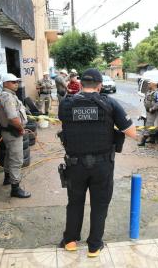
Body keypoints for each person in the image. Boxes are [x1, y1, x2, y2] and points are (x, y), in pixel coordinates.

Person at [58, 68, 137, 257]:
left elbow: (64, 123)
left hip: (74, 164)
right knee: (100, 204)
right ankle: (94, 246)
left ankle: (70, 241)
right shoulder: (109, 103)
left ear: (80, 84)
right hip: (102, 165)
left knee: (74, 202)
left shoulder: (66, 104)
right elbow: (132, 133)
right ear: (100, 85)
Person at [0, 73, 32, 198]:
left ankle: (7, 178)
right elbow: (12, 117)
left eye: (17, 82)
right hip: (13, 132)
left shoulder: (7, 95)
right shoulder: (8, 97)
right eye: (13, 82)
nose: (16, 84)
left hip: (8, 131)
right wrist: (21, 129)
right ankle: (15, 188)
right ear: (5, 83)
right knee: (17, 160)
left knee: (9, 155)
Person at [138, 81, 158, 146]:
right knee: (151, 124)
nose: (148, 84)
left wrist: (152, 108)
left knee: (148, 124)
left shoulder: (156, 93)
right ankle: (152, 139)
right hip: (148, 111)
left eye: (150, 83)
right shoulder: (149, 91)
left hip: (152, 111)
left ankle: (143, 140)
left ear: (153, 84)